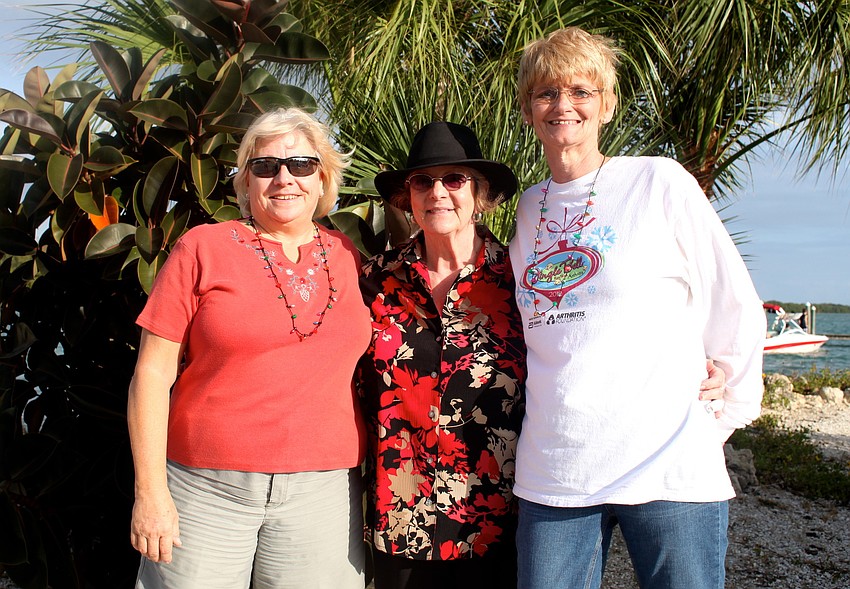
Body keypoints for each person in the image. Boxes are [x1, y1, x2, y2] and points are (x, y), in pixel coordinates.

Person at [509, 27, 765, 589]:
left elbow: (734, 301)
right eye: (547, 92)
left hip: (668, 469)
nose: (563, 105)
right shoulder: (529, 208)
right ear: (529, 109)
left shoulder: (658, 181)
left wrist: (722, 415)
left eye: (581, 91)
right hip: (556, 470)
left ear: (606, 103)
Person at [127, 107, 370, 588]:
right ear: (245, 182)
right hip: (205, 491)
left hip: (324, 493)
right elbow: (152, 374)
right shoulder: (203, 247)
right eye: (265, 167)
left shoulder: (348, 257)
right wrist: (150, 493)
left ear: (323, 179)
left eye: (301, 165)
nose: (284, 178)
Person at [356, 121, 527, 588]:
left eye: (454, 179)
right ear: (407, 196)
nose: (438, 192)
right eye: (423, 181)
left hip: (496, 522)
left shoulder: (519, 282)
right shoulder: (373, 282)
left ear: (481, 194)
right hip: (401, 521)